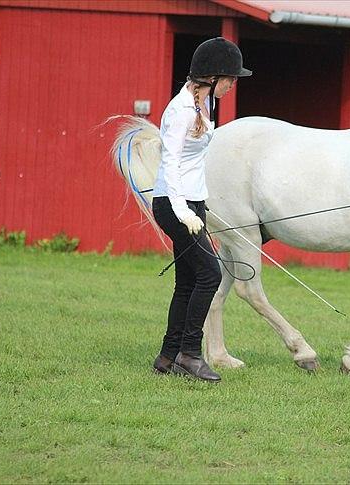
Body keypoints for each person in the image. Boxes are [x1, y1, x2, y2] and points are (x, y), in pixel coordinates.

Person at [150, 37, 252, 382]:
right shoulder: (180, 111)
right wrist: (183, 210)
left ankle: (167, 356)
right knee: (210, 274)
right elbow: (170, 162)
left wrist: (200, 203)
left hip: (193, 202)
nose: (233, 84)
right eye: (231, 78)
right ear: (212, 77)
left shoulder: (204, 105)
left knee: (188, 280)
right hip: (173, 204)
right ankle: (190, 353)